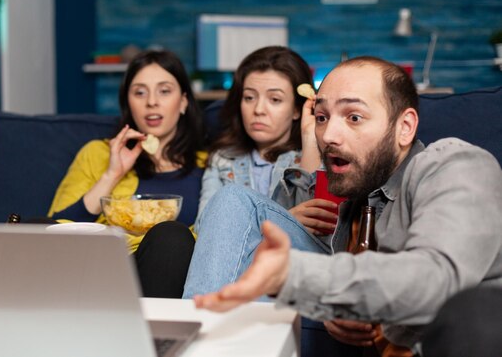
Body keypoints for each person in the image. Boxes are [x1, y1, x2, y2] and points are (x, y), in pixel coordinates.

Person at [191, 56, 502, 352]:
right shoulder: (356, 201)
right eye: (323, 118)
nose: (329, 136)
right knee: (231, 199)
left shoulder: (455, 165)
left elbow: (437, 278)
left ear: (404, 127)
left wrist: (298, 277)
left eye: (354, 117)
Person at [48, 49, 205, 298]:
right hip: (108, 270)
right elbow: (55, 228)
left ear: (184, 101)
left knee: (172, 237)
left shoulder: (209, 165)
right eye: (140, 92)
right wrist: (112, 174)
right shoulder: (98, 153)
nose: (151, 101)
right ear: (128, 104)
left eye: (164, 91)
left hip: (177, 270)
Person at [184, 46, 338, 299]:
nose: (258, 110)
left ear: (298, 109)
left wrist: (310, 142)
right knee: (230, 199)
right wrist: (284, 218)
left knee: (233, 200)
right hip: (240, 271)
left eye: (275, 100)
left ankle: (201, 323)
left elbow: (318, 228)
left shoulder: (328, 152)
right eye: (249, 97)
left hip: (299, 263)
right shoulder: (223, 159)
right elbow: (206, 231)